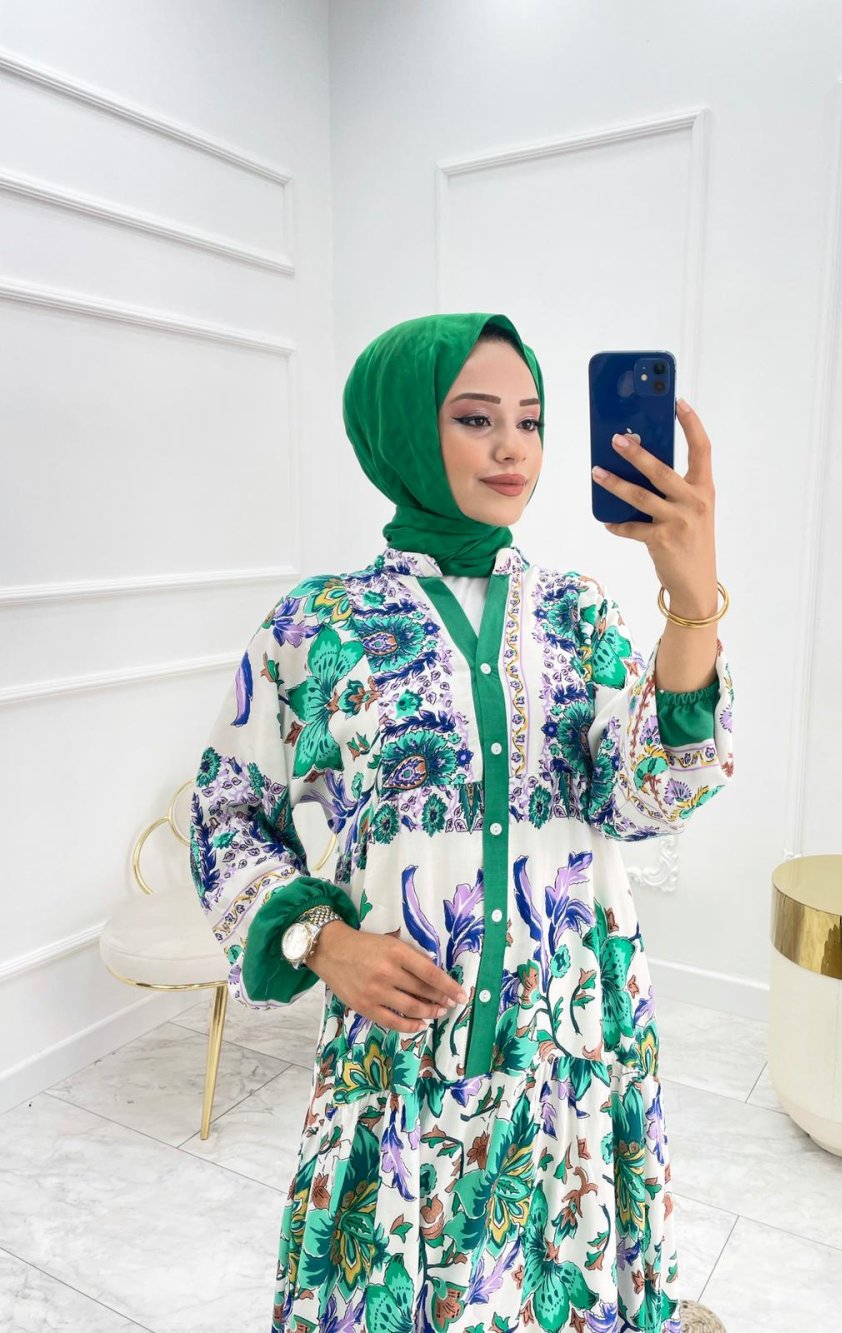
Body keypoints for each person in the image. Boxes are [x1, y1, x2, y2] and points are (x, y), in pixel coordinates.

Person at [189, 312, 734, 1333]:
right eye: (476, 418)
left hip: (569, 1040)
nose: (512, 446)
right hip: (401, 1057)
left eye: (529, 419)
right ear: (401, 429)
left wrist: (690, 594)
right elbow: (227, 814)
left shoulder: (577, 612)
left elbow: (651, 798)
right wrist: (322, 941)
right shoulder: (317, 624)